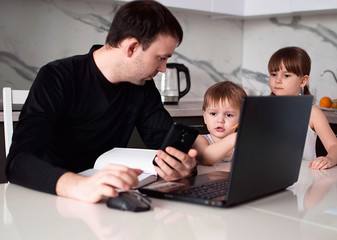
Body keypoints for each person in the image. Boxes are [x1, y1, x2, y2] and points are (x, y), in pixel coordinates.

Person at [5, 0, 198, 203]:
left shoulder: (142, 87)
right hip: (50, 199)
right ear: (132, 48)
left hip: (108, 199)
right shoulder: (57, 76)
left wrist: (184, 168)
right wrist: (81, 185)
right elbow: (18, 163)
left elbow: (166, 147)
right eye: (161, 58)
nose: (163, 69)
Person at [268, 46, 337, 170]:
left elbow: (334, 146)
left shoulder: (312, 113)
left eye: (286, 75)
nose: (277, 80)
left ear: (303, 81)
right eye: (273, 74)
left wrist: (330, 158)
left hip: (304, 177)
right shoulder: (263, 109)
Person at [193, 81, 247, 166]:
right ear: (205, 117)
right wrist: (234, 138)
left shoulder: (242, 144)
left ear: (242, 118)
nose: (220, 120)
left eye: (229, 115)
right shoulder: (199, 140)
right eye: (213, 114)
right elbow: (206, 158)